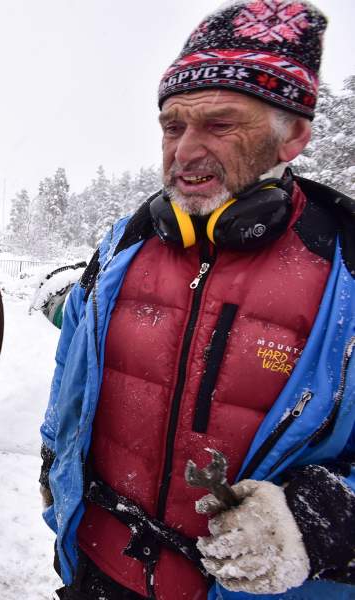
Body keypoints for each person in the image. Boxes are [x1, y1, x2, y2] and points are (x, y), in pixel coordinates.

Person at [39, 2, 354, 599]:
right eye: (173, 126)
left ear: (294, 136)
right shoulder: (120, 251)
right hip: (99, 573)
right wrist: (55, 469)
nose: (185, 153)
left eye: (220, 124)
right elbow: (69, 379)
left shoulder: (347, 272)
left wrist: (321, 525)